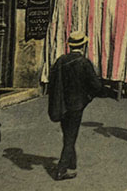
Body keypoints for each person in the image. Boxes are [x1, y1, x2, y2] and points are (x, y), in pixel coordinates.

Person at [47, 31, 104, 181]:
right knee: (71, 137)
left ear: (70, 45)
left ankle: (72, 163)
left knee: (67, 134)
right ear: (83, 45)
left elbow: (51, 82)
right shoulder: (84, 63)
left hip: (61, 104)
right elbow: (96, 85)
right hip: (76, 105)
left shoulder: (60, 60)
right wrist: (88, 96)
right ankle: (61, 170)